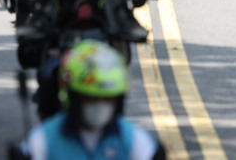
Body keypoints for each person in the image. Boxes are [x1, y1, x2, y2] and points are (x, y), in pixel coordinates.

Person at [18, 40, 162, 160]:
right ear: (74, 96)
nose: (100, 105)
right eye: (90, 98)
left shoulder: (135, 141)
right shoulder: (41, 142)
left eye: (108, 99)